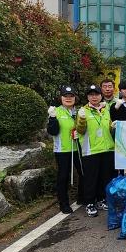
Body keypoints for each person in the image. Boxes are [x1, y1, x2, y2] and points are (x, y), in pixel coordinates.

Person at [76, 84, 115, 217]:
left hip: (107, 148)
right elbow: (80, 130)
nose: (94, 97)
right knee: (91, 178)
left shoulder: (106, 108)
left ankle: (101, 199)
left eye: (96, 94)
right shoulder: (83, 111)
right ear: (87, 97)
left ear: (101, 95)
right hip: (91, 150)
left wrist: (113, 126)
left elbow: (108, 125)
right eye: (91, 95)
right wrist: (81, 120)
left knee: (104, 177)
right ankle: (89, 203)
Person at [46, 86, 84, 214]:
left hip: (78, 148)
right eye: (65, 96)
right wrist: (52, 118)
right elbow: (53, 131)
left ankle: (81, 197)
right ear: (60, 98)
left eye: (71, 96)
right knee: (63, 176)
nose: (68, 98)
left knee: (83, 172)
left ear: (75, 98)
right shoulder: (55, 111)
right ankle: (64, 204)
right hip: (62, 150)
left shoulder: (78, 112)